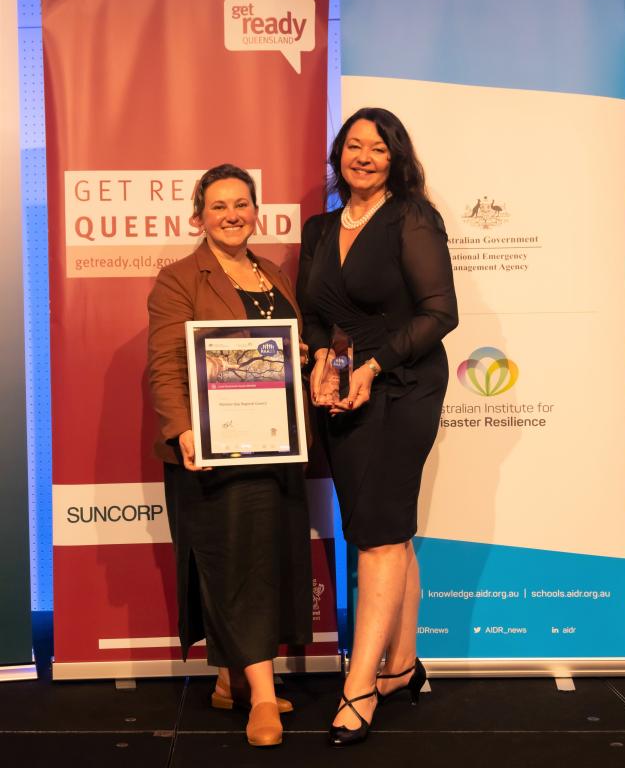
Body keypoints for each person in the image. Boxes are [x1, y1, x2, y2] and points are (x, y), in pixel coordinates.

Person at [297, 108, 458, 746]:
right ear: (339, 155)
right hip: (344, 390)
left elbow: (441, 312)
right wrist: (321, 361)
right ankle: (401, 667)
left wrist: (372, 365)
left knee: (378, 536)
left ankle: (359, 685)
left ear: (396, 158)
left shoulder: (411, 217)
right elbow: (316, 315)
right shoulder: (320, 227)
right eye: (353, 145)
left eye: (377, 147)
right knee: (382, 526)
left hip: (403, 383)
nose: (362, 155)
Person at [147, 164, 312, 748]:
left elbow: (288, 351)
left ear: (256, 211)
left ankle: (228, 681)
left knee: (266, 561)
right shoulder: (179, 279)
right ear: (199, 216)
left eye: (242, 203)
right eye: (219, 206)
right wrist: (182, 428)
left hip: (277, 447)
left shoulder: (273, 274)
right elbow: (166, 364)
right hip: (217, 452)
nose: (233, 214)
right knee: (236, 566)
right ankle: (263, 699)